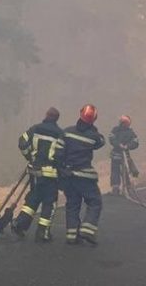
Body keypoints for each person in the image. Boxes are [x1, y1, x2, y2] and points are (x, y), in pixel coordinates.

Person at [12, 107, 66, 242]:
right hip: (51, 174)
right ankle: (43, 232)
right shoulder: (60, 134)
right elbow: (61, 155)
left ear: (46, 115)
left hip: (35, 172)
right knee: (49, 202)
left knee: (33, 198)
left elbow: (22, 142)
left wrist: (29, 156)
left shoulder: (35, 128)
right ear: (57, 119)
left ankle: (20, 224)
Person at [60, 104, 106, 246]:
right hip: (85, 175)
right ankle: (87, 230)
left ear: (80, 114)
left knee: (72, 204)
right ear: (94, 119)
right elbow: (101, 142)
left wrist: (62, 170)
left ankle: (72, 236)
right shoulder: (94, 136)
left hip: (68, 175)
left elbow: (57, 152)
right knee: (95, 201)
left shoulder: (66, 132)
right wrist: (92, 128)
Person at [108, 115, 139, 195]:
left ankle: (128, 186)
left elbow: (136, 142)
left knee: (127, 170)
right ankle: (116, 187)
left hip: (125, 154)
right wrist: (119, 145)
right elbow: (111, 138)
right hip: (116, 154)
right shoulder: (115, 130)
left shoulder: (130, 132)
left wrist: (127, 146)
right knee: (115, 170)